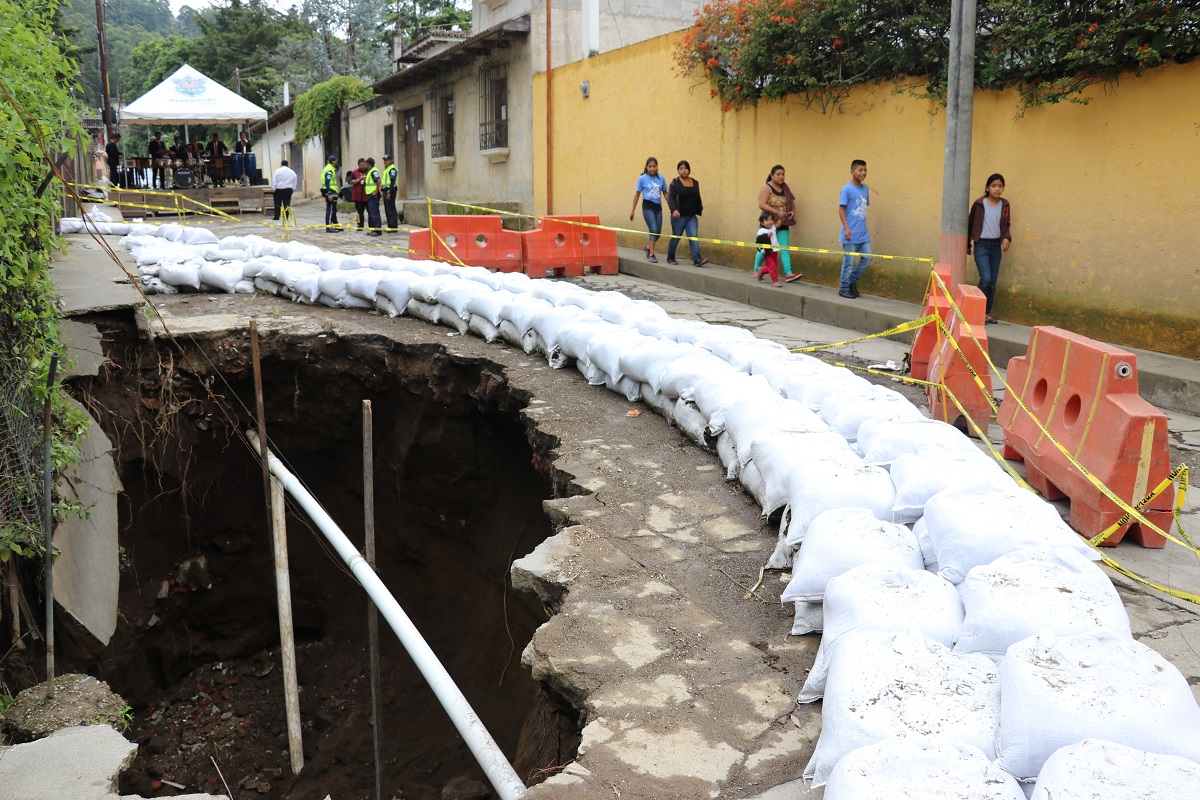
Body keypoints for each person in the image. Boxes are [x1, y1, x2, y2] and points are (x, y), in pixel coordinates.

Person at [967, 173, 1011, 324]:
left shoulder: (1004, 205)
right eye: (993, 186)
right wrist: (968, 244)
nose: (997, 189)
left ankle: (986, 313)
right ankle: (975, 311)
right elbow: (970, 223)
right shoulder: (980, 204)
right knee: (985, 279)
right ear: (987, 188)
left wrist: (1006, 238)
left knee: (992, 283)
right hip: (982, 246)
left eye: (1000, 186)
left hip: (995, 247)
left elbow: (1007, 225)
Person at [756, 165, 802, 282]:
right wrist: (777, 212)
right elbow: (762, 204)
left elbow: (791, 203)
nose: (781, 177)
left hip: (783, 222)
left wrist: (792, 211)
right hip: (769, 224)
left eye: (783, 174)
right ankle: (756, 270)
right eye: (778, 174)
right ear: (772, 175)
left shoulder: (785, 188)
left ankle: (788, 273)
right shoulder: (766, 188)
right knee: (765, 249)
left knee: (784, 247)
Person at [837, 159, 871, 299]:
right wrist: (846, 228)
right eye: (860, 170)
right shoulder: (846, 189)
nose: (863, 173)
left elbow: (862, 208)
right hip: (850, 233)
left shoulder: (865, 189)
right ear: (852, 172)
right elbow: (841, 209)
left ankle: (852, 281)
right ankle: (844, 288)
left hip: (863, 234)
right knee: (849, 263)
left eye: (865, 170)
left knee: (867, 258)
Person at [666, 160, 707, 267]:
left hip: (691, 216)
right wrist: (674, 209)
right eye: (681, 168)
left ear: (689, 170)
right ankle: (670, 257)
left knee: (693, 236)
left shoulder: (695, 182)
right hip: (679, 216)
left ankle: (697, 259)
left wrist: (698, 208)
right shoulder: (675, 183)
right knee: (676, 236)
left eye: (685, 168)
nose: (683, 171)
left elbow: (697, 197)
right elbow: (670, 198)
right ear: (678, 170)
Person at [629, 156, 669, 263]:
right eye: (650, 166)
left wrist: (672, 206)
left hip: (658, 207)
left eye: (654, 166)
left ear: (657, 167)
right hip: (647, 207)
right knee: (653, 230)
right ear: (646, 167)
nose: (652, 168)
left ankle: (648, 247)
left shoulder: (661, 178)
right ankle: (651, 254)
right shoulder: (642, 179)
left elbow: (665, 192)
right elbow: (637, 195)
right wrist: (632, 210)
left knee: (658, 233)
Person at [754, 212, 782, 287]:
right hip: (766, 253)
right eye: (766, 220)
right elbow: (758, 239)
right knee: (772, 267)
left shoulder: (773, 227)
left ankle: (761, 270)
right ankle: (775, 281)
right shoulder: (761, 231)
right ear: (762, 222)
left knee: (773, 267)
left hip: (774, 251)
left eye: (771, 220)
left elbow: (778, 224)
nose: (769, 222)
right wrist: (766, 236)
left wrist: (781, 215)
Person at [363, 157, 382, 236]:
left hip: (373, 195)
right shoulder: (370, 171)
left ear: (368, 164)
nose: (365, 165)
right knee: (371, 213)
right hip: (370, 195)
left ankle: (377, 230)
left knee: (375, 213)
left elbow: (378, 181)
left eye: (366, 163)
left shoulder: (374, 171)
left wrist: (376, 191)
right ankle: (374, 229)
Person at [321, 155, 341, 232]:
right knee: (330, 209)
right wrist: (329, 193)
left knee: (333, 209)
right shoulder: (329, 170)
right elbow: (327, 181)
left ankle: (335, 224)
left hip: (332, 191)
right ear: (334, 162)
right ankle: (328, 228)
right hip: (331, 191)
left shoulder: (328, 168)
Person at [381, 154, 398, 232]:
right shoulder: (386, 169)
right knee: (387, 209)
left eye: (387, 160)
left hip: (390, 190)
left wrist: (389, 192)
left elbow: (392, 181)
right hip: (385, 190)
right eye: (384, 160)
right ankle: (390, 225)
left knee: (391, 209)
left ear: (391, 160)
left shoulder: (392, 169)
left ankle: (393, 226)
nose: (385, 162)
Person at [349, 159, 367, 230]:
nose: (362, 166)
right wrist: (358, 180)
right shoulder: (354, 172)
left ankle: (372, 226)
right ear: (358, 165)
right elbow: (350, 181)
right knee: (359, 213)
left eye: (363, 165)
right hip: (358, 196)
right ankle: (360, 226)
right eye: (361, 165)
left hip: (367, 195)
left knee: (370, 211)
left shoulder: (368, 171)